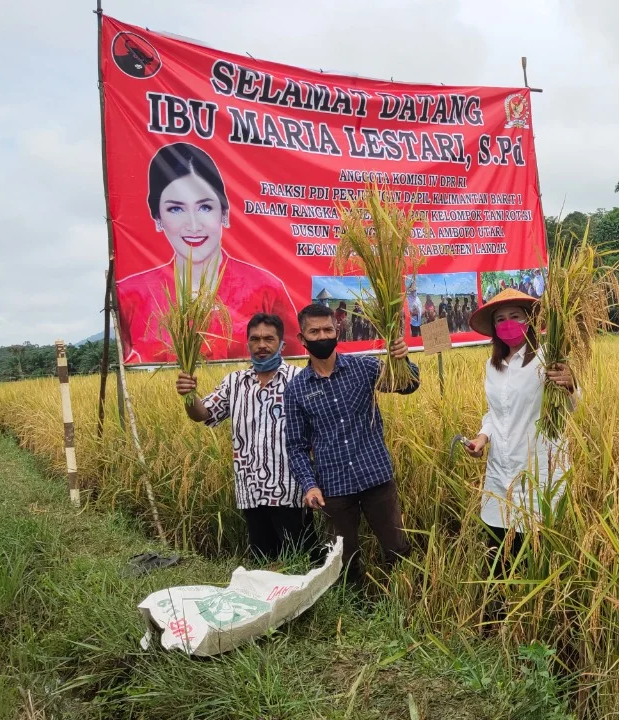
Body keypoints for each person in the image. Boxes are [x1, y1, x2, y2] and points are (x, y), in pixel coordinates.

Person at [117, 142, 301, 364]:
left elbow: (296, 363)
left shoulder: (266, 288)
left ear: (223, 213)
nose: (193, 225)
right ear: (157, 218)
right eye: (175, 209)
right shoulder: (130, 295)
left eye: (205, 207)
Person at [284, 303, 420, 583]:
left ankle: (405, 601)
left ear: (337, 331)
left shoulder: (364, 367)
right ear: (302, 338)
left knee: (398, 548)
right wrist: (309, 485)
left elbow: (409, 385)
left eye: (327, 329)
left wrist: (402, 360)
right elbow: (296, 446)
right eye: (314, 331)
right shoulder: (297, 389)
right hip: (334, 488)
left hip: (376, 477)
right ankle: (354, 616)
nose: (322, 336)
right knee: (343, 560)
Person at [174, 313, 314, 561]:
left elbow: (316, 430)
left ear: (282, 343)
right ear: (247, 343)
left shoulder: (299, 379)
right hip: (251, 491)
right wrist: (189, 395)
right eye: (255, 339)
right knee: (262, 560)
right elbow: (203, 413)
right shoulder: (234, 382)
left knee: (299, 561)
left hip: (291, 491)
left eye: (269, 339)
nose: (262, 345)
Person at [463, 289, 576, 566]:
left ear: (530, 320)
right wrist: (482, 437)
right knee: (498, 553)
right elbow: (494, 412)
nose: (507, 323)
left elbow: (571, 406)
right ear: (494, 329)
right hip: (500, 472)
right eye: (500, 319)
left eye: (515, 316)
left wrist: (570, 384)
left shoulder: (547, 356)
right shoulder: (493, 365)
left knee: (534, 555)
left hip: (538, 469)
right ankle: (499, 607)